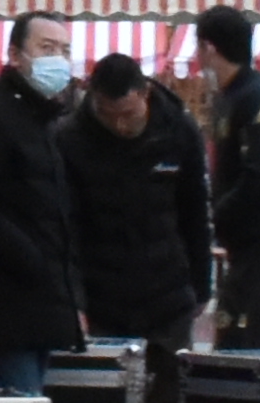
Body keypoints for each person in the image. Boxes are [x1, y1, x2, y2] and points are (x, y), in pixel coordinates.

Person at [0, 13, 88, 393]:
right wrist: (31, 258)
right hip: (3, 308)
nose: (58, 58)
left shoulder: (44, 123)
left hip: (40, 307)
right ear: (15, 55)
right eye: (46, 48)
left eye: (64, 50)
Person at [64, 55, 212, 350]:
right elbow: (68, 228)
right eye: (108, 115)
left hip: (168, 292)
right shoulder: (70, 138)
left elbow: (194, 212)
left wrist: (201, 286)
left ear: (145, 93)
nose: (120, 126)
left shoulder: (178, 130)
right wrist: (75, 300)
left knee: (170, 388)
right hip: (102, 296)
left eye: (129, 115)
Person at [182, 2, 260, 347]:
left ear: (208, 47)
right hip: (246, 247)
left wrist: (215, 215)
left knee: (241, 347)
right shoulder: (232, 97)